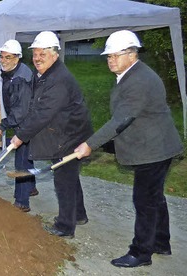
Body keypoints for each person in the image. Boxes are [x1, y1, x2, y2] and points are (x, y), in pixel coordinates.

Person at [74, 30, 183, 267]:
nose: (110, 60)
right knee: (154, 198)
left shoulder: (139, 80)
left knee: (144, 200)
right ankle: (161, 242)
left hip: (154, 149)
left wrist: (90, 144)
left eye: (115, 55)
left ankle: (141, 253)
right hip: (154, 144)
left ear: (132, 54)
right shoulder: (131, 74)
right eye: (108, 56)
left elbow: (121, 119)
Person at [9, 31, 93, 238]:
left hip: (70, 135)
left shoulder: (59, 79)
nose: (37, 58)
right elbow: (35, 106)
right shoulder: (46, 75)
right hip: (66, 131)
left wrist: (20, 136)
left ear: (55, 54)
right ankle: (79, 214)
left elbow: (43, 113)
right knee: (69, 176)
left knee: (63, 179)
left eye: (42, 54)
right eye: (35, 54)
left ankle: (65, 226)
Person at [0, 39, 36, 212]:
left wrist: (3, 125)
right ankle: (31, 187)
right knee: (27, 157)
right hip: (24, 121)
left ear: (17, 58)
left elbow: (21, 110)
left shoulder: (21, 79)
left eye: (8, 57)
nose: (3, 60)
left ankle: (22, 202)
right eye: (1, 57)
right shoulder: (11, 72)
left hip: (25, 124)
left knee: (22, 161)